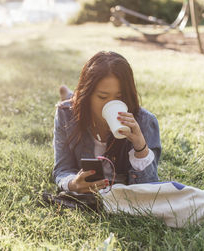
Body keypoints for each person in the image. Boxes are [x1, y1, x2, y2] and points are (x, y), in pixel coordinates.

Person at [53, 51, 161, 194]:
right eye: (103, 97)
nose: (111, 104)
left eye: (119, 97)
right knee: (72, 105)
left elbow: (150, 189)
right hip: (80, 104)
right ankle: (69, 95)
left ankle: (69, 94)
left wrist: (140, 148)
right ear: (88, 95)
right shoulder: (66, 115)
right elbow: (62, 169)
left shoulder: (145, 122)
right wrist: (73, 184)